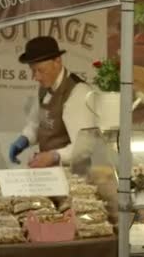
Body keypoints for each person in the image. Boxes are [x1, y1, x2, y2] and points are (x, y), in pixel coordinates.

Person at [9, 36, 94, 168]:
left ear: (57, 62)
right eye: (33, 70)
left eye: (41, 70)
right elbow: (37, 123)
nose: (36, 77)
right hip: (50, 173)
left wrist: (55, 156)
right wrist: (25, 139)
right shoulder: (45, 87)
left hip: (73, 174)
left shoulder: (77, 92)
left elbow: (84, 146)